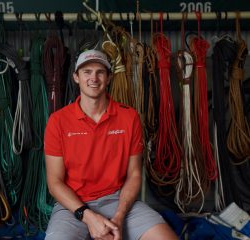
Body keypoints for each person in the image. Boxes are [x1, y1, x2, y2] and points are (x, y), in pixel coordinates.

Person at [44, 49, 178, 240]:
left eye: (100, 72)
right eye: (87, 72)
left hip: (119, 201)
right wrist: (89, 218)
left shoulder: (129, 117)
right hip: (73, 206)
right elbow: (54, 183)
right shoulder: (58, 121)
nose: (94, 78)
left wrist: (119, 218)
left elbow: (134, 174)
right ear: (76, 77)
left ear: (108, 78)